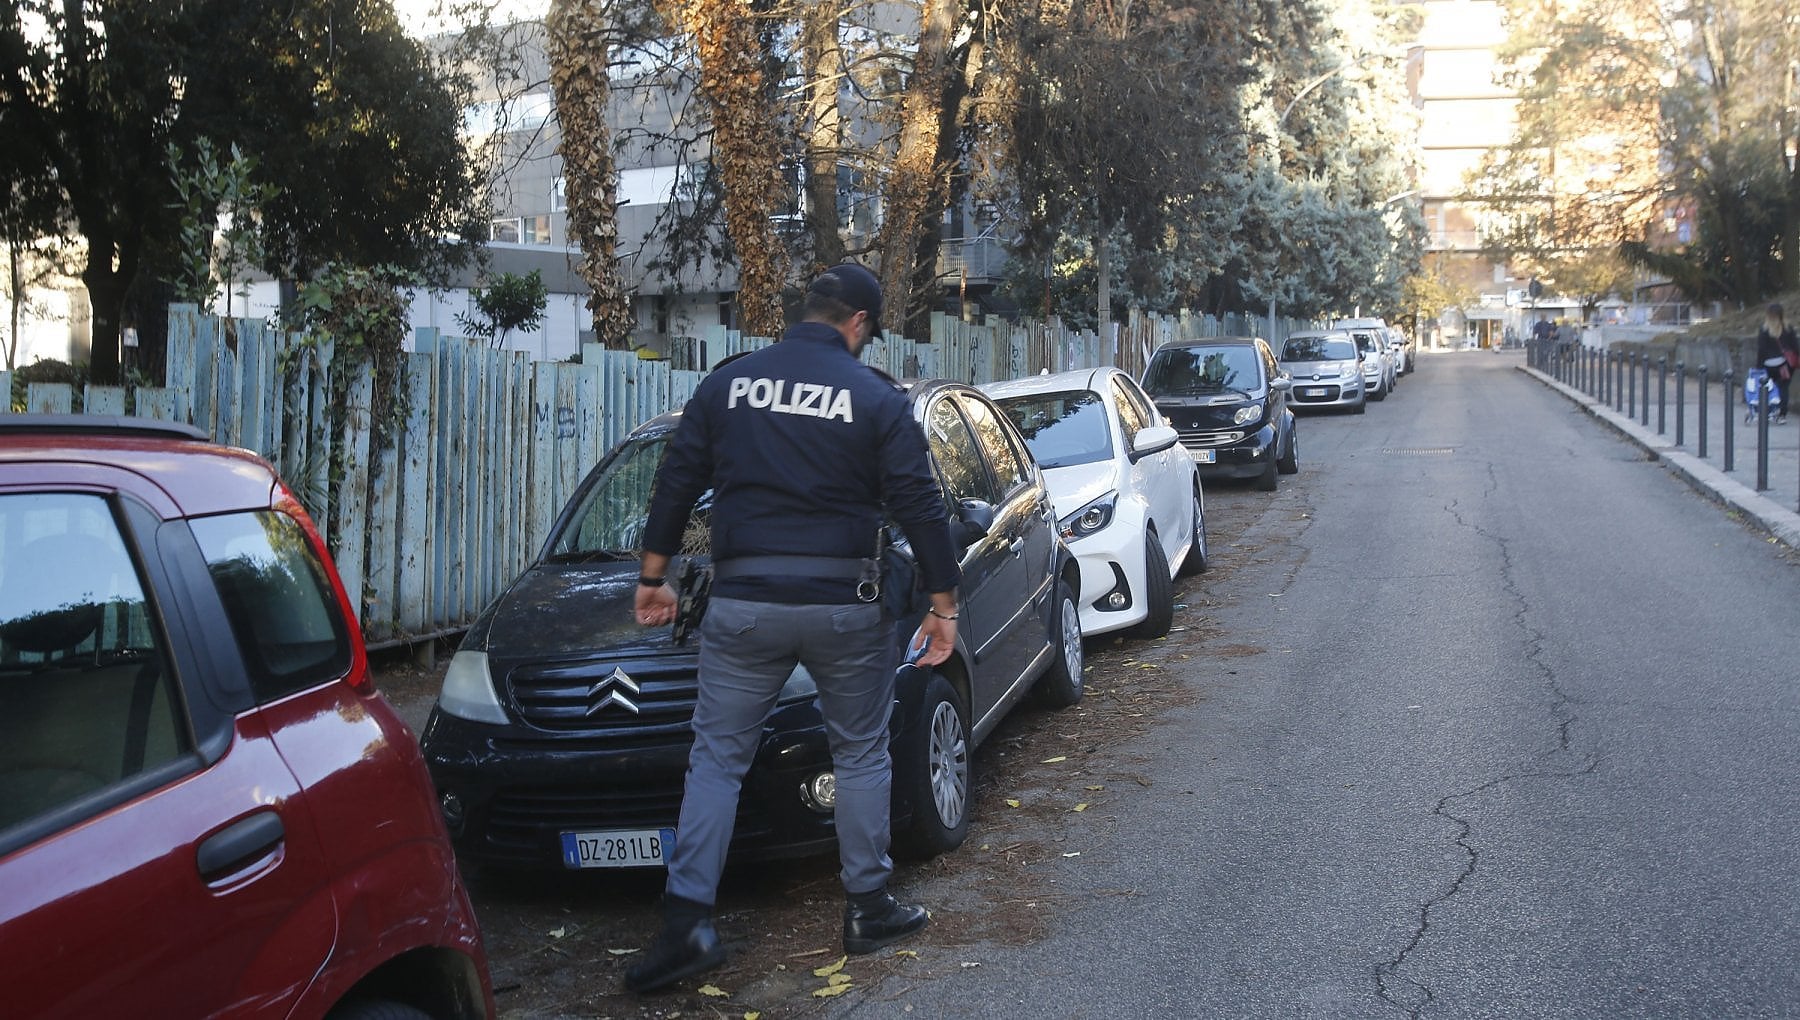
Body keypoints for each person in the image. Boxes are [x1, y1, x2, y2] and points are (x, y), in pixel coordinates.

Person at [624, 263, 963, 993]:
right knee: (861, 755)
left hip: (745, 604)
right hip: (847, 606)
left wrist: (652, 580)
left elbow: (677, 481)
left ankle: (687, 926)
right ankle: (868, 908)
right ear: (859, 325)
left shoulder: (727, 386)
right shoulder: (874, 397)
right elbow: (919, 503)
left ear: (803, 313)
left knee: (716, 759)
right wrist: (944, 607)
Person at [1755, 301, 1798, 424]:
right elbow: (1796, 346)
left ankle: (1769, 411)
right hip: (1784, 365)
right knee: (1783, 388)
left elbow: (1761, 349)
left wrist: (1759, 366)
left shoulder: (1764, 329)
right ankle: (1782, 415)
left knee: (1768, 388)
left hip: (1769, 365)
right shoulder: (1788, 328)